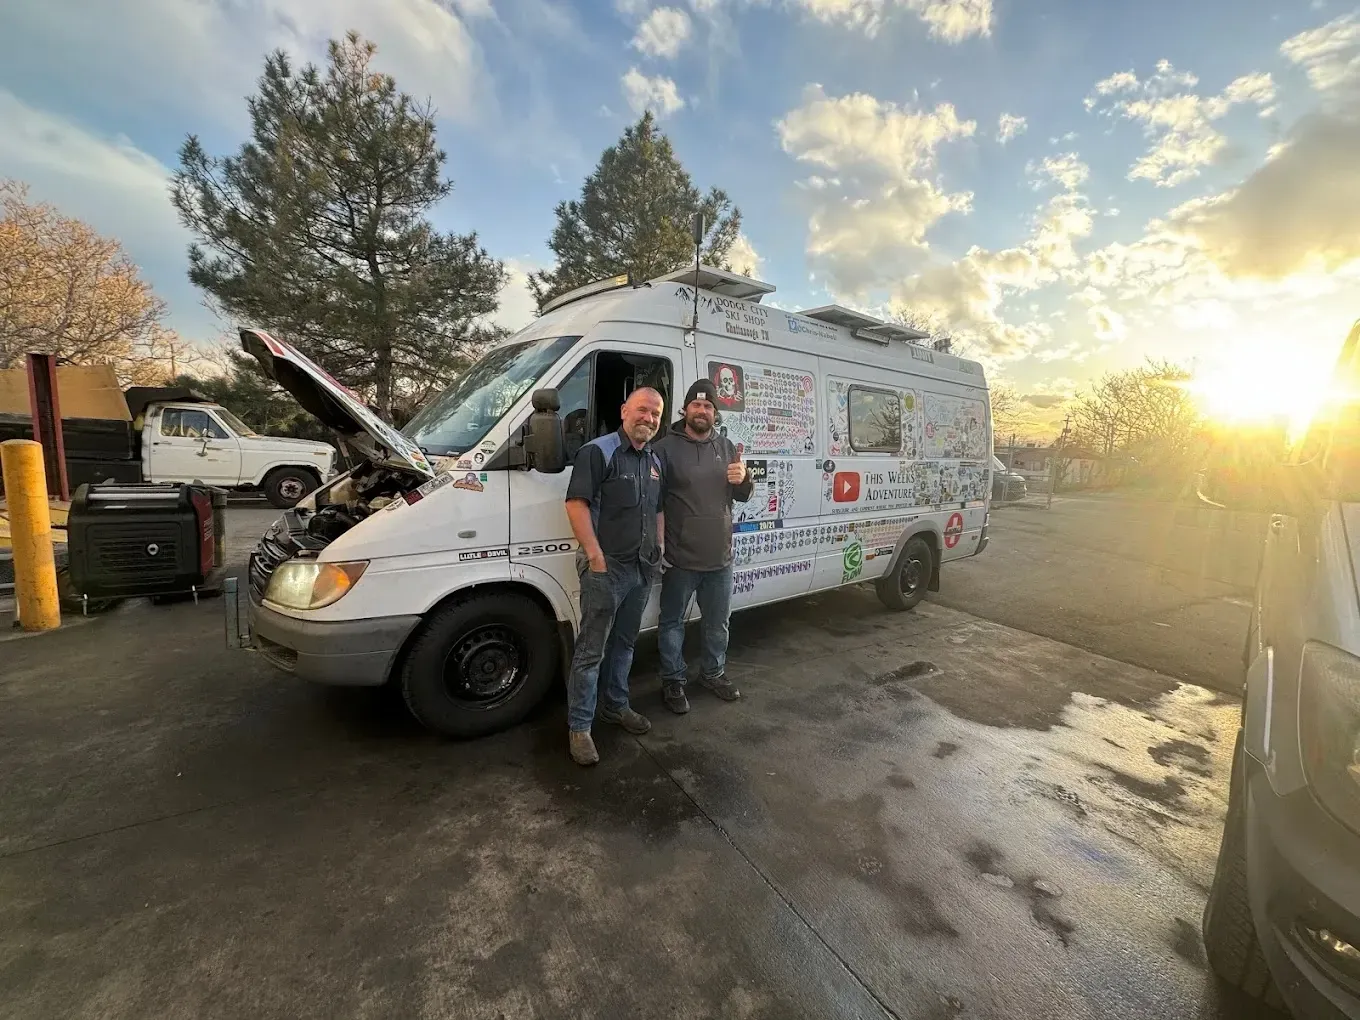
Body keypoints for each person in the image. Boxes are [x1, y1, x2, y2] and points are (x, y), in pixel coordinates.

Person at [562, 386, 666, 766]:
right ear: (625, 410)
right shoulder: (599, 451)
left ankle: (615, 706)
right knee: (591, 652)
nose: (648, 419)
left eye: (655, 414)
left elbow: (657, 508)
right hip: (607, 571)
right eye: (642, 410)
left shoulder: (654, 459)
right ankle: (580, 728)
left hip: (641, 567)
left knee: (625, 644)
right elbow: (576, 504)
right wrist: (595, 557)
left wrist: (660, 547)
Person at [652, 379, 755, 714]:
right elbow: (654, 502)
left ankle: (713, 673)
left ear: (715, 412)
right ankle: (673, 680)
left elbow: (741, 494)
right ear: (685, 409)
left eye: (708, 406)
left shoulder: (726, 447)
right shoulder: (664, 448)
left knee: (718, 622)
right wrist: (659, 548)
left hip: (720, 558)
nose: (702, 411)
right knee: (671, 623)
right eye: (696, 405)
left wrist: (746, 480)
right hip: (680, 558)